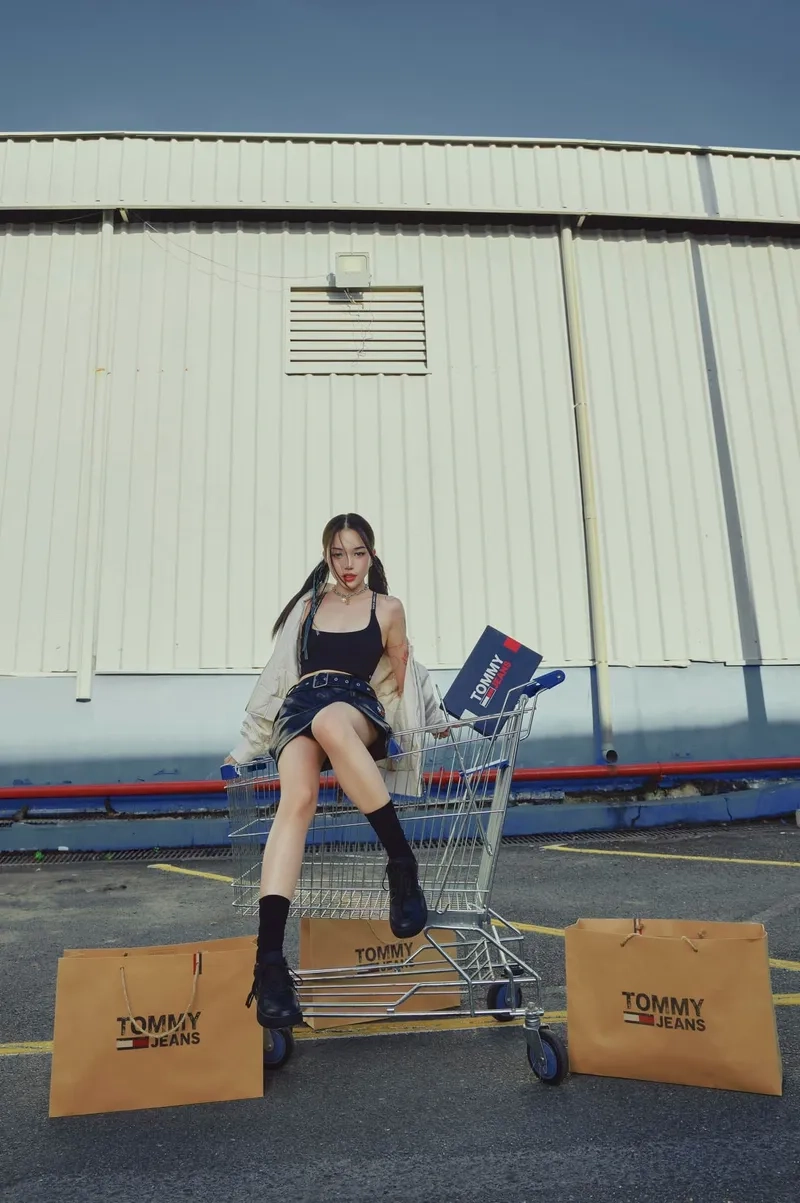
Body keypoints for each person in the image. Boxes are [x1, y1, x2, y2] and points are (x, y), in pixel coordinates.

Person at [224, 513, 448, 1029]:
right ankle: (269, 961)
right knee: (297, 799)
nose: (348, 564)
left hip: (354, 708)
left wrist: (437, 722)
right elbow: (278, 675)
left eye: (358, 553)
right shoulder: (307, 607)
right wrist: (244, 747)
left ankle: (401, 865)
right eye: (338, 554)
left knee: (331, 722)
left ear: (372, 555)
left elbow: (408, 675)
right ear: (327, 555)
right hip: (300, 707)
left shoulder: (387, 608)